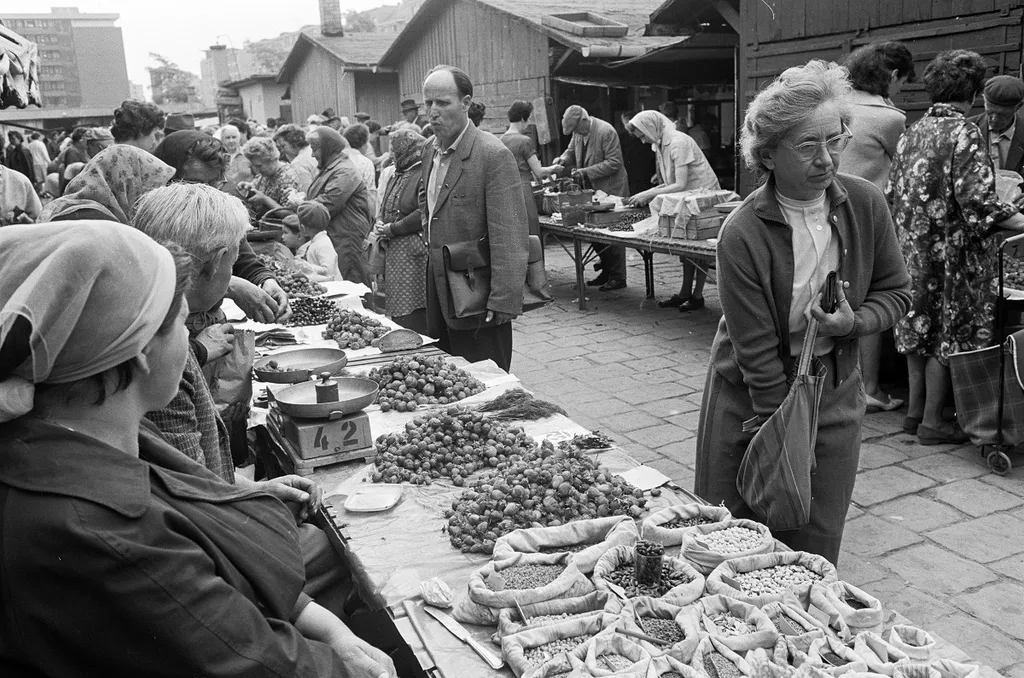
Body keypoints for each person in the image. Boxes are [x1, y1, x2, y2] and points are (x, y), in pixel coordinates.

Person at [0, 220, 397, 678]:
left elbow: (206, 528)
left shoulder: (88, 439)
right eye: (179, 323)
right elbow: (258, 663)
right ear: (142, 351)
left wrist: (331, 631)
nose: (191, 338)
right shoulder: (100, 533)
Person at [694, 60, 911, 566]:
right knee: (735, 540)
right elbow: (755, 352)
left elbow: (896, 293)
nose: (828, 159)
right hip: (751, 397)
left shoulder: (866, 204)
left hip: (832, 393)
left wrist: (852, 324)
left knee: (814, 543)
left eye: (835, 140)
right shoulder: (743, 232)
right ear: (767, 154)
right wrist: (784, 439)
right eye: (807, 146)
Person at [887, 50, 1024, 443]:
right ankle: (934, 422)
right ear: (974, 92)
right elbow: (978, 202)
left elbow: (897, 191)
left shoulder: (913, 130)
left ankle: (914, 414)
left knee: (919, 327)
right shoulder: (965, 132)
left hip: (914, 249)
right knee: (947, 333)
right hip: (953, 254)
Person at [420, 65, 529, 371]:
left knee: (485, 380)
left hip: (478, 294)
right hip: (441, 288)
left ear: (466, 103)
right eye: (428, 103)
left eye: (443, 103)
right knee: (445, 377)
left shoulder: (492, 154)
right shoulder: (430, 149)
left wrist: (504, 299)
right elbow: (428, 209)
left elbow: (510, 233)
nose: (433, 112)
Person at [841, 41, 916, 413]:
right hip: (868, 216)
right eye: (903, 82)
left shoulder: (837, 106)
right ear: (893, 76)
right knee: (872, 298)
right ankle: (869, 387)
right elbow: (904, 175)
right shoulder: (890, 119)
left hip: (828, 212)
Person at [154, 130, 292, 326]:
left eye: (214, 183)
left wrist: (267, 281)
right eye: (196, 183)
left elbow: (244, 259)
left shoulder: (219, 210)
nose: (207, 192)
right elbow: (168, 279)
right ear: (168, 177)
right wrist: (232, 286)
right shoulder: (154, 218)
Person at [627, 110, 721, 312]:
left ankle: (697, 295)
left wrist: (649, 194)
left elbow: (680, 183)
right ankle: (685, 292)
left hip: (701, 198)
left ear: (651, 127)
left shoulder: (678, 142)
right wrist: (648, 191)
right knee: (684, 246)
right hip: (686, 199)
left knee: (697, 247)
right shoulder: (661, 143)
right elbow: (670, 183)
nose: (643, 141)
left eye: (643, 136)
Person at [545, 105, 630, 291]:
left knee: (613, 233)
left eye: (576, 129)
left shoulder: (606, 131)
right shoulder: (578, 133)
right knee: (594, 231)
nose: (575, 133)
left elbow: (615, 162)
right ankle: (606, 271)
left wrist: (585, 171)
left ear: (584, 120)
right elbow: (570, 151)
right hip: (593, 190)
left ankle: (618, 276)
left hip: (612, 188)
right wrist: (562, 160)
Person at [298, 126, 374, 285]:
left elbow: (329, 202)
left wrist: (300, 203)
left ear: (327, 148)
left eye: (315, 150)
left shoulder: (344, 171)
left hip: (346, 238)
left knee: (352, 282)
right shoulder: (331, 168)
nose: (312, 154)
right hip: (337, 236)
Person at [372, 129, 428, 334]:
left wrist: (393, 228)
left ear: (408, 151)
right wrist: (380, 221)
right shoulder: (398, 172)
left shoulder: (423, 173)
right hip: (396, 251)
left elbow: (423, 211)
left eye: (396, 151)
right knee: (397, 307)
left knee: (413, 307)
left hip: (413, 253)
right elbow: (386, 203)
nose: (392, 156)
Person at [38, 145, 175, 223]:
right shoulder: (103, 223)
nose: (151, 201)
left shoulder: (65, 208)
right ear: (127, 184)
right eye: (148, 191)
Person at [501, 100, 551, 237]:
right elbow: (539, 172)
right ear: (523, 119)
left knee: (514, 232)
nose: (528, 124)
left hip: (505, 191)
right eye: (528, 119)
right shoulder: (525, 141)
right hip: (523, 189)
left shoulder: (500, 140)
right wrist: (554, 169)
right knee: (530, 229)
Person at [968, 74, 1024, 175]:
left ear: (1018, 106)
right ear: (984, 100)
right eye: (990, 112)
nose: (995, 119)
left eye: (1003, 115)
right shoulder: (966, 129)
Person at [240, 136, 300, 220]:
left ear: (271, 159)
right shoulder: (265, 175)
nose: (257, 170)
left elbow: (290, 215)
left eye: (259, 166)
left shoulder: (287, 178)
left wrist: (265, 200)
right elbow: (258, 186)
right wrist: (249, 187)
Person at [285, 201, 342, 282]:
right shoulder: (315, 241)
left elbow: (329, 271)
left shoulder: (323, 245)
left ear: (303, 228)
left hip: (334, 288)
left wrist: (307, 267)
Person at [343, 123, 379, 215]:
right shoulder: (365, 163)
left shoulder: (337, 158)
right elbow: (370, 193)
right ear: (364, 143)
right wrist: (372, 217)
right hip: (358, 213)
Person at [275, 123, 319, 192]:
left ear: (294, 141)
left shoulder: (298, 163)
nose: (283, 151)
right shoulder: (312, 150)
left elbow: (307, 193)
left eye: (283, 146)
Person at [220, 123, 253, 197]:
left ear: (239, 138)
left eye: (234, 137)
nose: (231, 141)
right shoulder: (219, 157)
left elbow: (259, 175)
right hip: (225, 198)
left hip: (247, 197)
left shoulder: (248, 154)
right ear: (222, 139)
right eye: (227, 138)